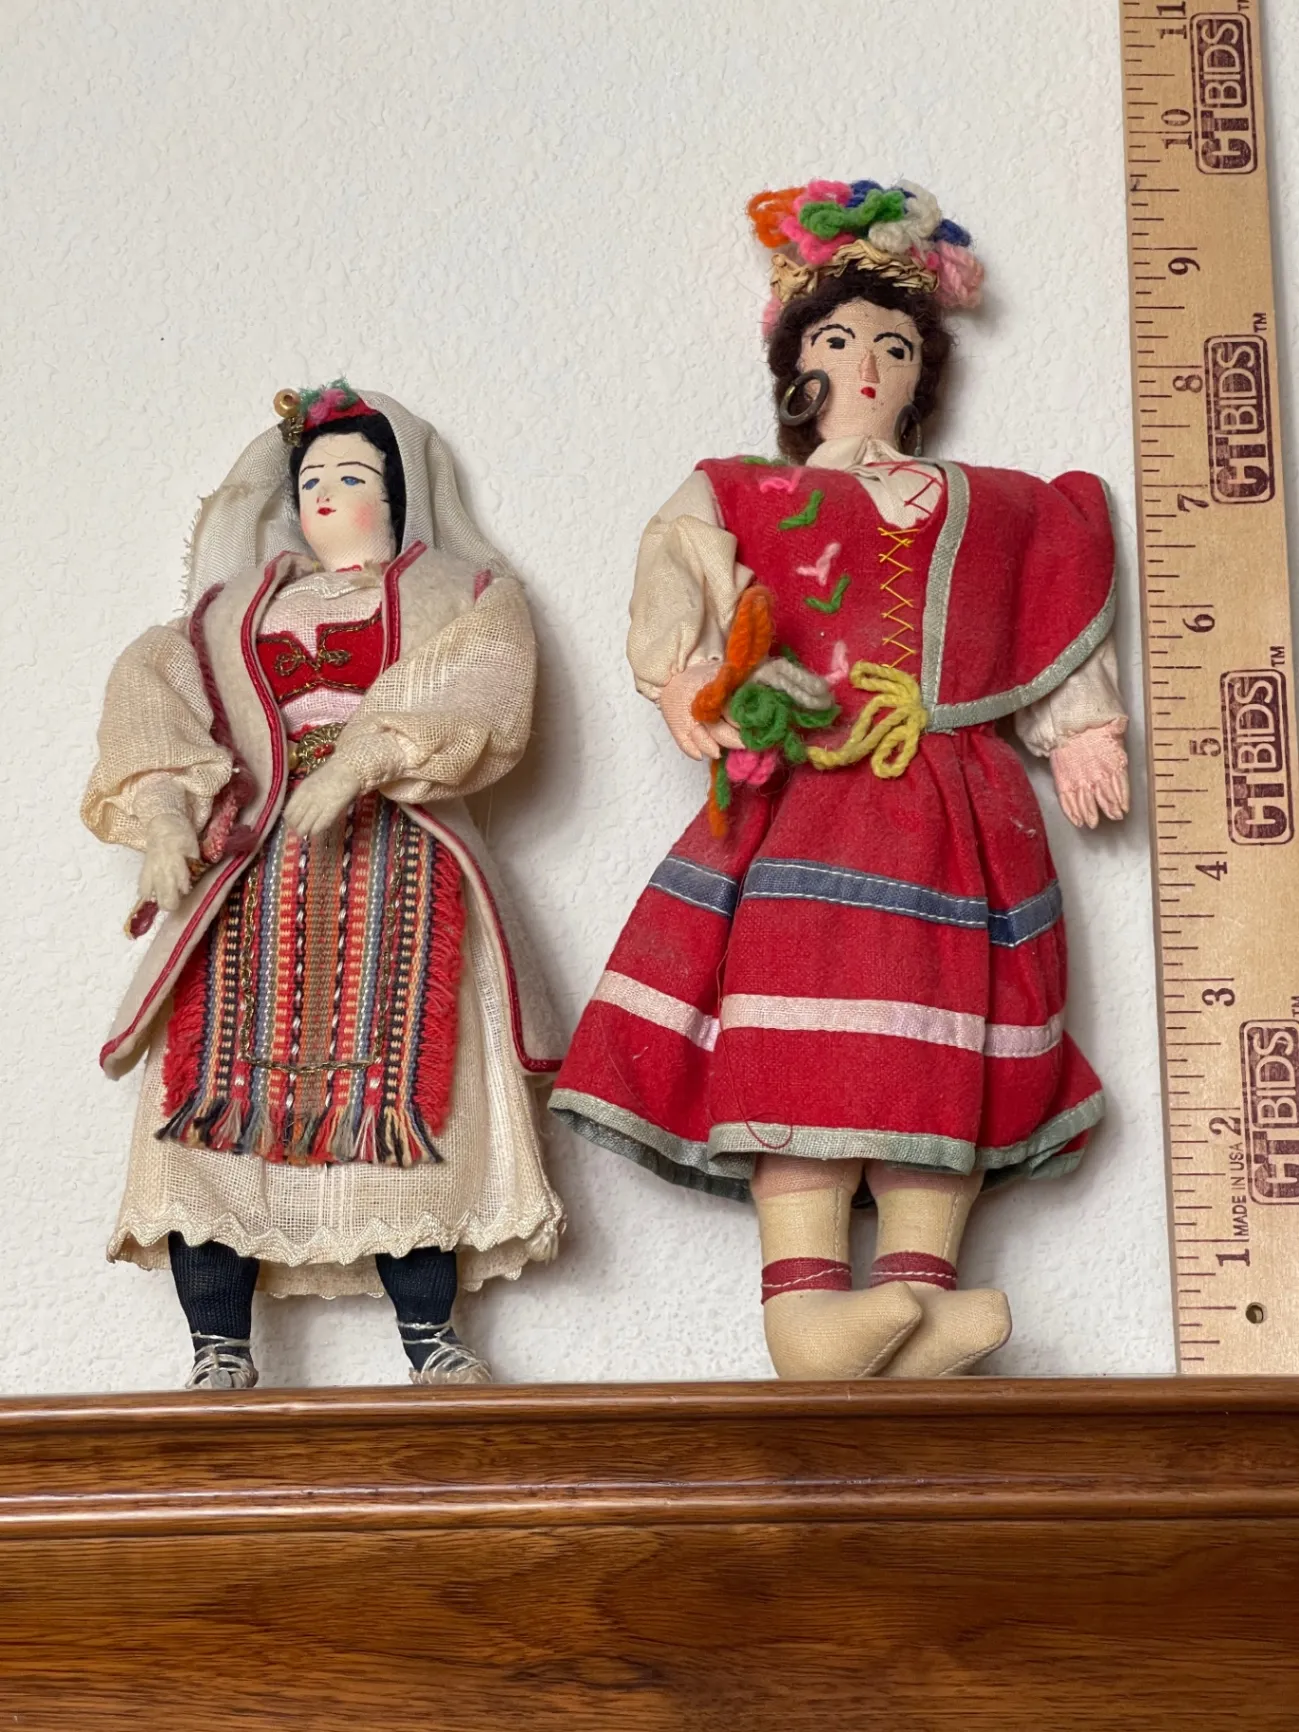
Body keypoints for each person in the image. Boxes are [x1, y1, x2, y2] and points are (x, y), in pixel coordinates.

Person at [551, 180, 1129, 1379]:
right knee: (799, 1034)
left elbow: (1050, 591)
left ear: (925, 375)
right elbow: (677, 567)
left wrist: (1079, 726)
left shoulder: (997, 502)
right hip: (809, 799)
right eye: (839, 339)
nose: (867, 362)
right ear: (796, 364)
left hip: (962, 810)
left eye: (896, 346)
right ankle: (805, 1307)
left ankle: (922, 1286)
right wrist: (684, 678)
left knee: (939, 1037)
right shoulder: (746, 491)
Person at [83, 382, 563, 1389]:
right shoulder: (227, 614)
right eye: (311, 481)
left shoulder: (462, 595)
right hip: (250, 874)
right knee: (208, 1110)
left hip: (399, 862)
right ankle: (219, 1346)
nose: (328, 494)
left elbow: (478, 684)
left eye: (353, 475)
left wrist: (358, 763)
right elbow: (153, 695)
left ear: (398, 491)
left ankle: (430, 1336)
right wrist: (164, 814)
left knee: (416, 1101)